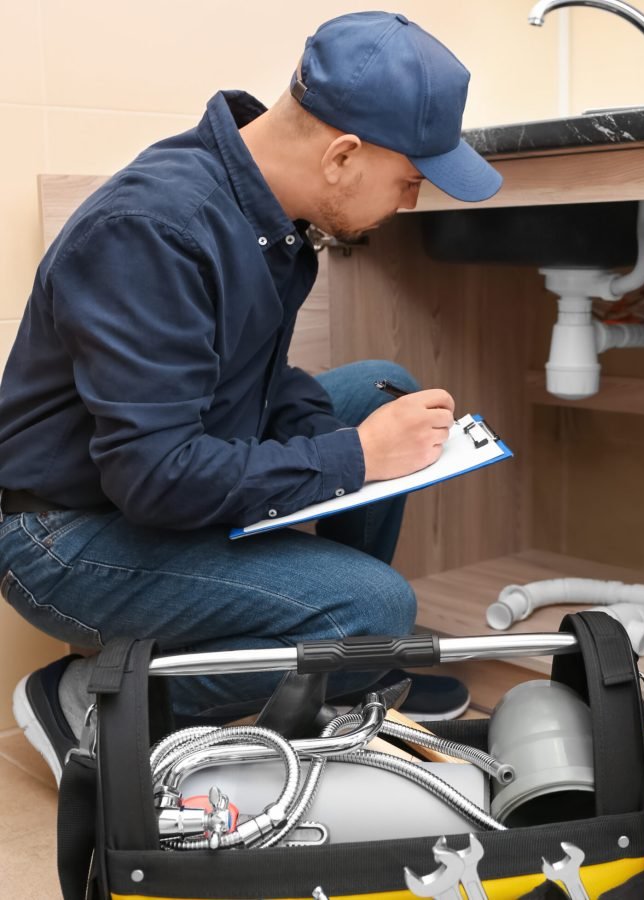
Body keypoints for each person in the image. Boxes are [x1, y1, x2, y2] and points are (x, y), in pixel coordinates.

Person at [0, 11, 502, 782]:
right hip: (62, 535)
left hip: (139, 489)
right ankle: (93, 702)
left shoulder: (266, 215)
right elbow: (154, 477)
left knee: (379, 391)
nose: (409, 204)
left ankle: (334, 669)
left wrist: (359, 441)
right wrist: (358, 456)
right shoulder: (153, 230)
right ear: (343, 155)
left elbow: (261, 387)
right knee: (375, 610)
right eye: (409, 180)